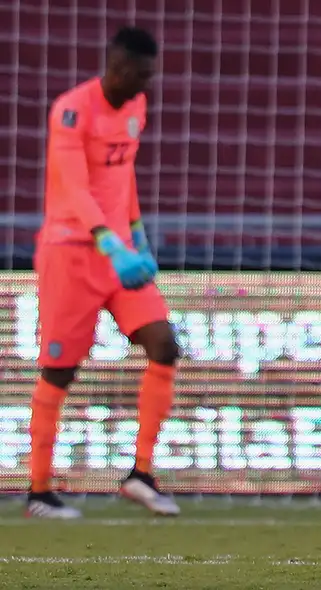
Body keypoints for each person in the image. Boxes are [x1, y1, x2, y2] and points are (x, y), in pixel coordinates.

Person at [28, 26, 181, 519]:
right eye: (140, 75)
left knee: (164, 344)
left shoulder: (136, 107)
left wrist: (138, 236)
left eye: (150, 76)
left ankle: (140, 474)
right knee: (59, 371)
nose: (145, 84)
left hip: (119, 253)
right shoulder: (72, 111)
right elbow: (73, 187)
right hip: (71, 253)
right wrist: (111, 243)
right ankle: (39, 491)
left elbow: (123, 174)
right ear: (117, 67)